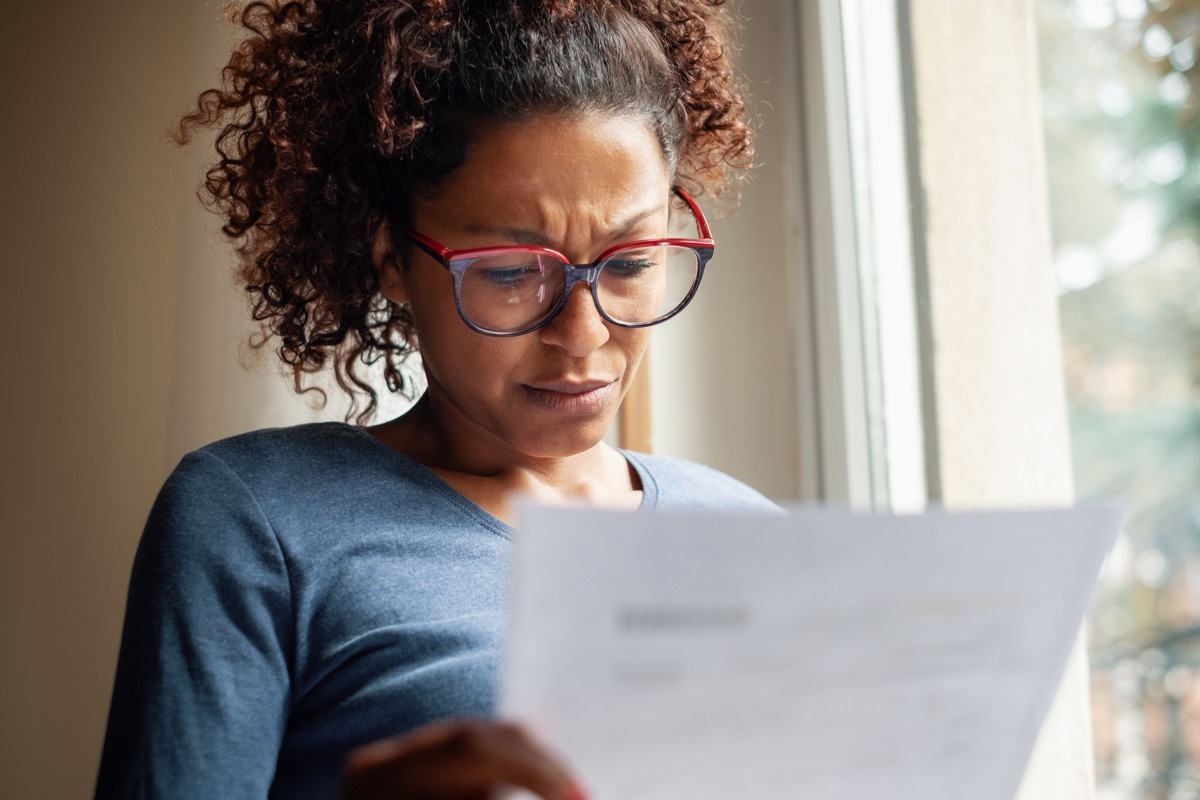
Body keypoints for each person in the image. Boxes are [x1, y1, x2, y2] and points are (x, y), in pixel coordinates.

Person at [95, 1, 772, 797]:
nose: (584, 336)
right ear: (392, 260)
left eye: (629, 262)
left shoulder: (753, 537)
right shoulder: (259, 521)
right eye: (513, 273)